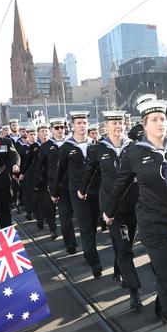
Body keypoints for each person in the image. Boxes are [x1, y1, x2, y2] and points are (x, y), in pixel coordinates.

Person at [103, 98, 167, 332]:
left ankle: (161, 306)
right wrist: (109, 211)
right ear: (144, 125)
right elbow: (120, 184)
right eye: (154, 120)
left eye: (162, 119)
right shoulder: (134, 153)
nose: (160, 123)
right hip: (152, 225)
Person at [79, 110, 143, 308]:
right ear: (105, 127)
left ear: (125, 125)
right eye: (113, 123)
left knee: (127, 244)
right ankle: (134, 291)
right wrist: (82, 190)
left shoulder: (133, 147)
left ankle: (119, 270)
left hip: (132, 204)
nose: (117, 126)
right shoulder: (98, 149)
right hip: (110, 207)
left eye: (120, 123)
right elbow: (89, 171)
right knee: (123, 248)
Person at [53, 111, 102, 276]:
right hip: (77, 195)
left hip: (96, 191)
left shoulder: (95, 144)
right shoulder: (67, 147)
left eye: (85, 123)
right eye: (79, 123)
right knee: (86, 227)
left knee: (94, 226)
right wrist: (55, 192)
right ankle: (94, 261)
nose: (82, 126)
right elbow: (60, 173)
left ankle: (90, 251)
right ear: (72, 126)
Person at [40, 118, 77, 253]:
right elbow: (41, 168)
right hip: (58, 187)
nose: (60, 130)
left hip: (75, 184)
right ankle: (70, 243)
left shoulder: (73, 143)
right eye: (57, 128)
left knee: (82, 217)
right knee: (65, 217)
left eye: (62, 127)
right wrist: (42, 187)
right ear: (51, 130)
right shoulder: (45, 146)